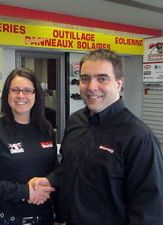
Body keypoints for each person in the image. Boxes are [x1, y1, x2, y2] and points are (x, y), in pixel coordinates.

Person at [31, 49, 163, 225]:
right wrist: (49, 181)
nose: (92, 87)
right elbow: (69, 167)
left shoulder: (138, 137)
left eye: (102, 78)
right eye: (85, 78)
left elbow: (148, 210)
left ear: (118, 83)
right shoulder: (75, 121)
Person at [0, 68, 62, 225]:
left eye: (27, 90)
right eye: (15, 90)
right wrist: (26, 191)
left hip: (45, 219)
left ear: (36, 95)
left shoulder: (46, 128)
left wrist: (47, 183)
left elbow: (56, 170)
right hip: (5, 220)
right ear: (7, 95)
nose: (21, 95)